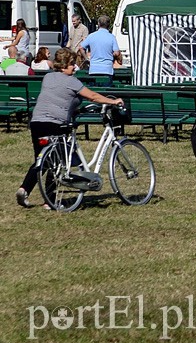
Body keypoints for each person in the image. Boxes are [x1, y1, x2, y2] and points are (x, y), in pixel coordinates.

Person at [15, 48, 124, 208]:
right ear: (64, 65)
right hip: (55, 123)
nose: (74, 67)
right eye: (72, 64)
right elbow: (92, 96)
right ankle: (50, 201)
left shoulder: (48, 77)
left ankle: (24, 189)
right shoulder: (72, 81)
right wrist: (113, 101)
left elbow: (60, 97)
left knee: (42, 160)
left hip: (37, 121)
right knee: (57, 161)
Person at [79, 15, 120, 87]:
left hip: (94, 69)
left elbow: (81, 47)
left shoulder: (92, 36)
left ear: (98, 24)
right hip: (107, 69)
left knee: (94, 93)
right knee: (106, 95)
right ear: (108, 24)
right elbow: (116, 53)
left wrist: (86, 58)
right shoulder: (111, 37)